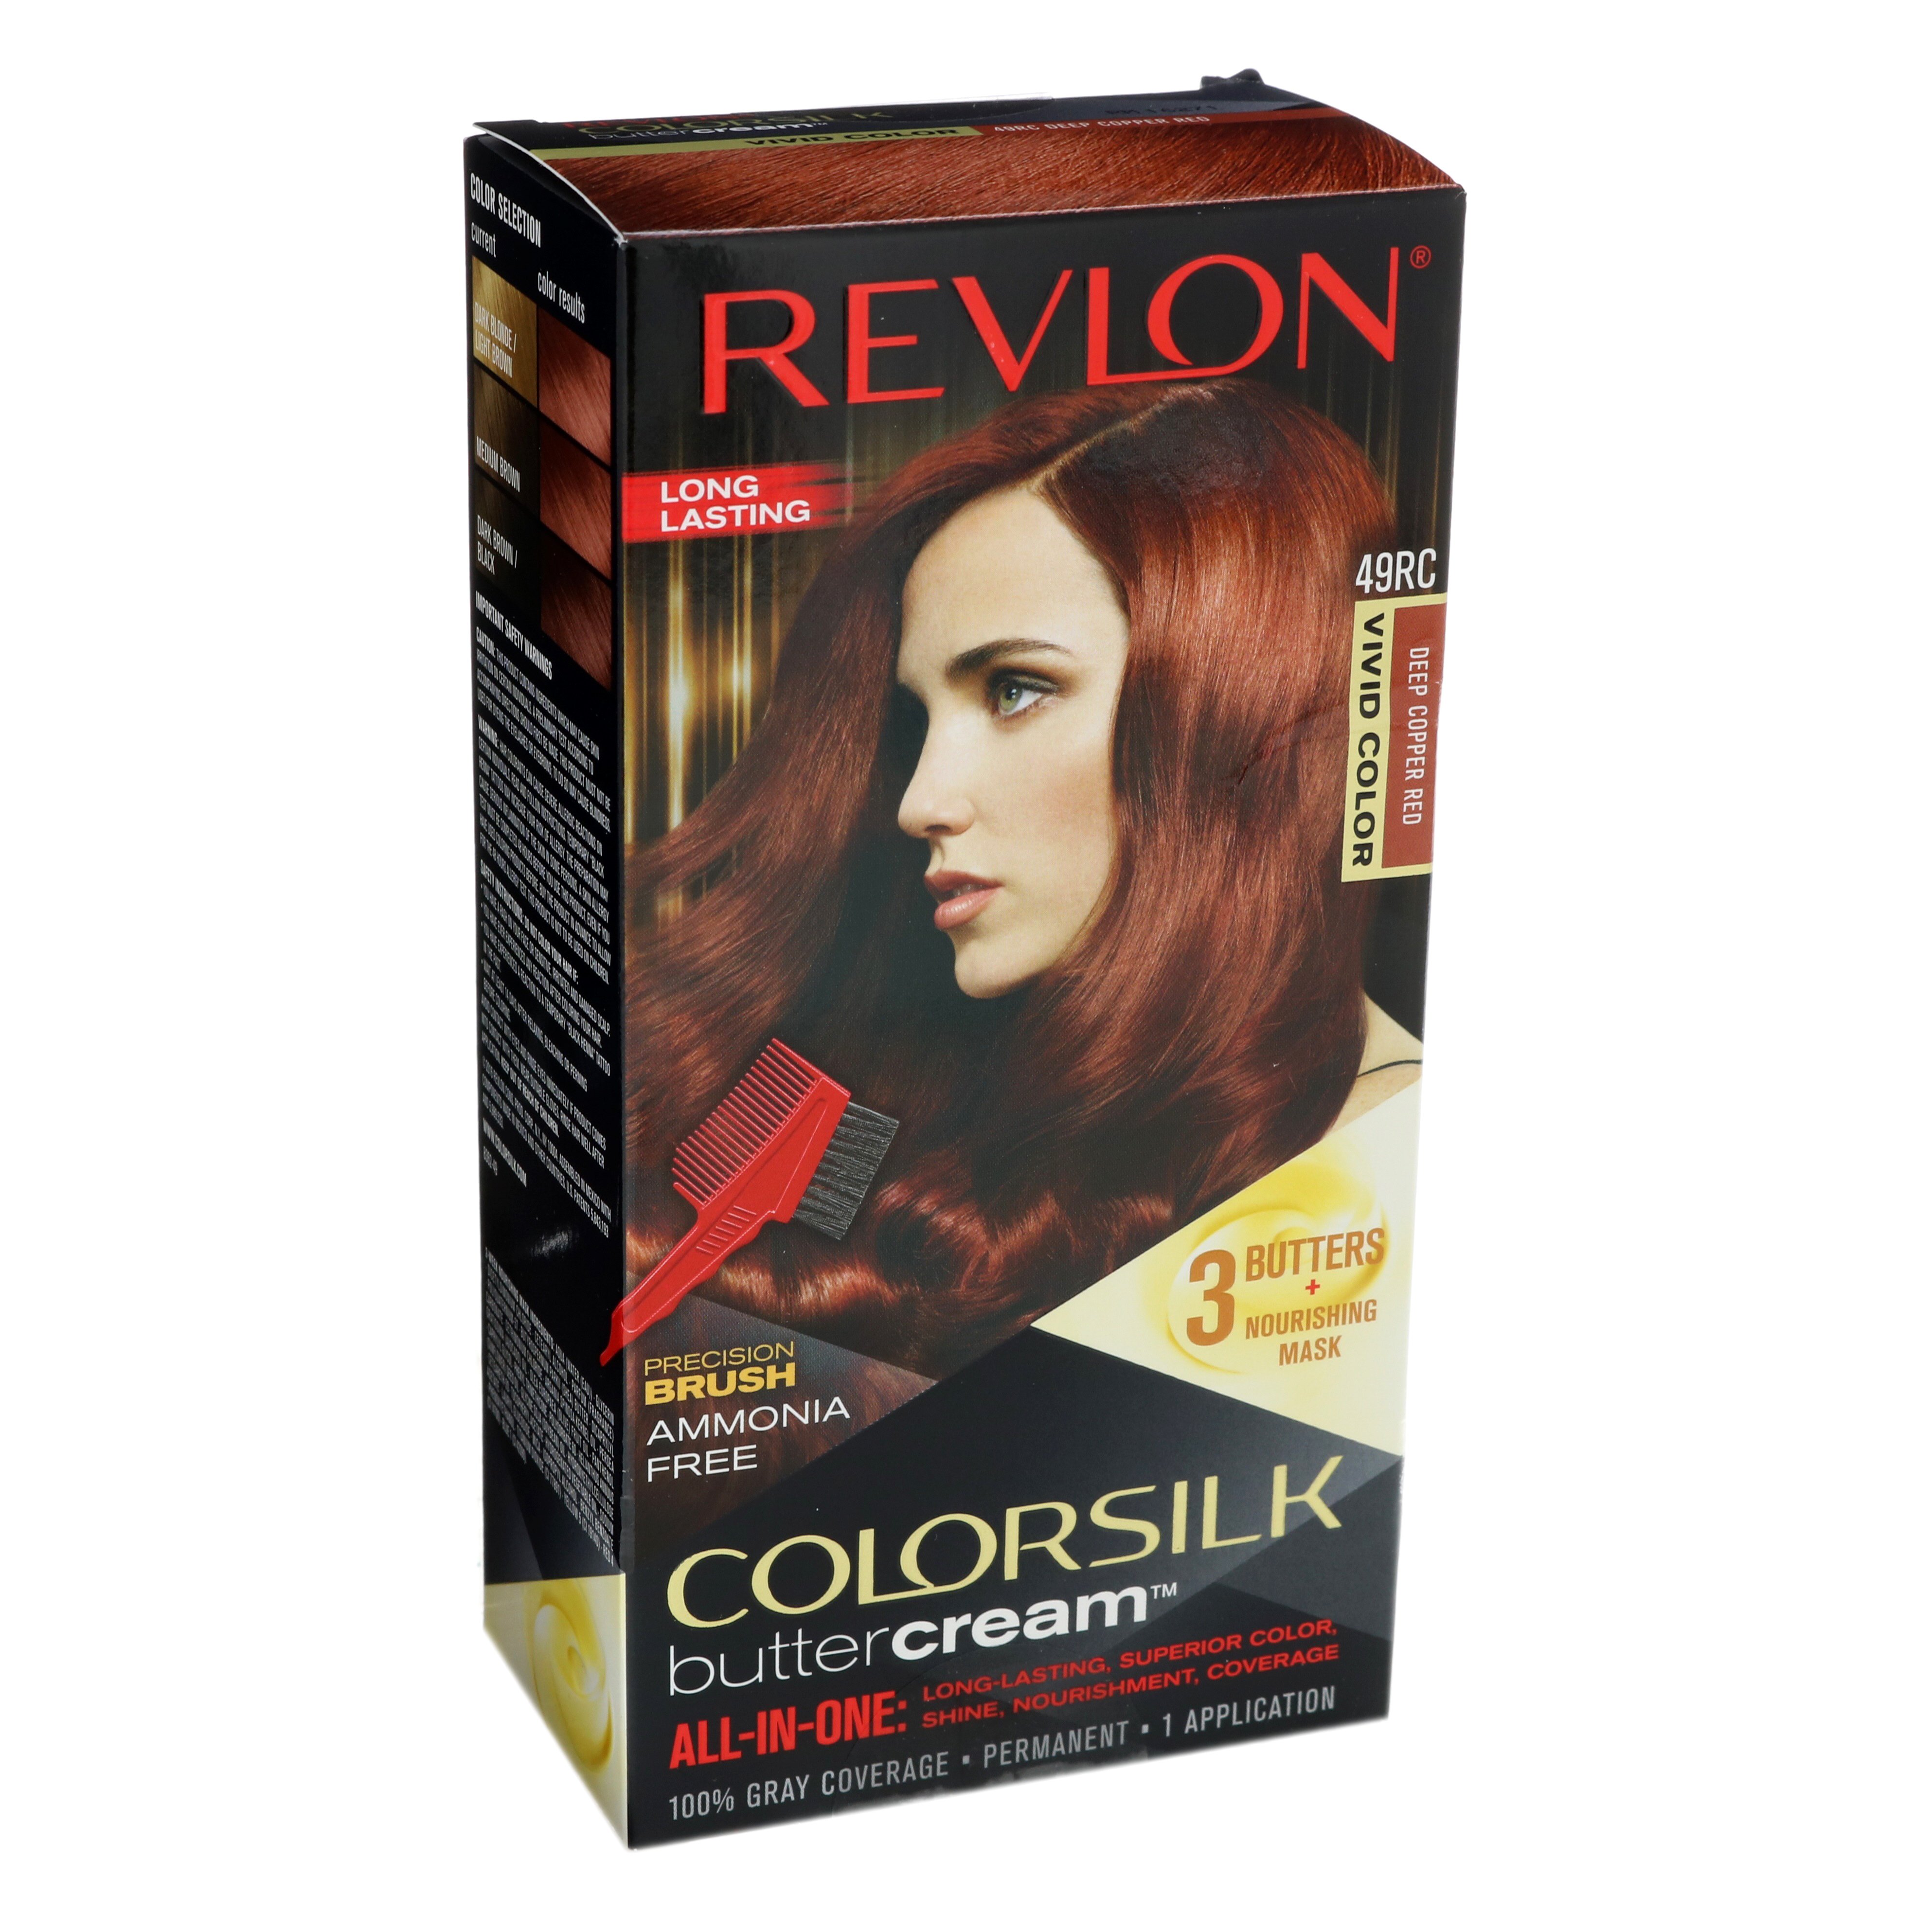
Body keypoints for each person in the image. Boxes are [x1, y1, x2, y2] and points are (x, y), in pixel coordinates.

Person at [625, 377, 1421, 1378]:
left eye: (1015, 689)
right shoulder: (976, 1113)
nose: (920, 802)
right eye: (916, 721)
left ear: (1243, 700)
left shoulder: (1381, 1158)